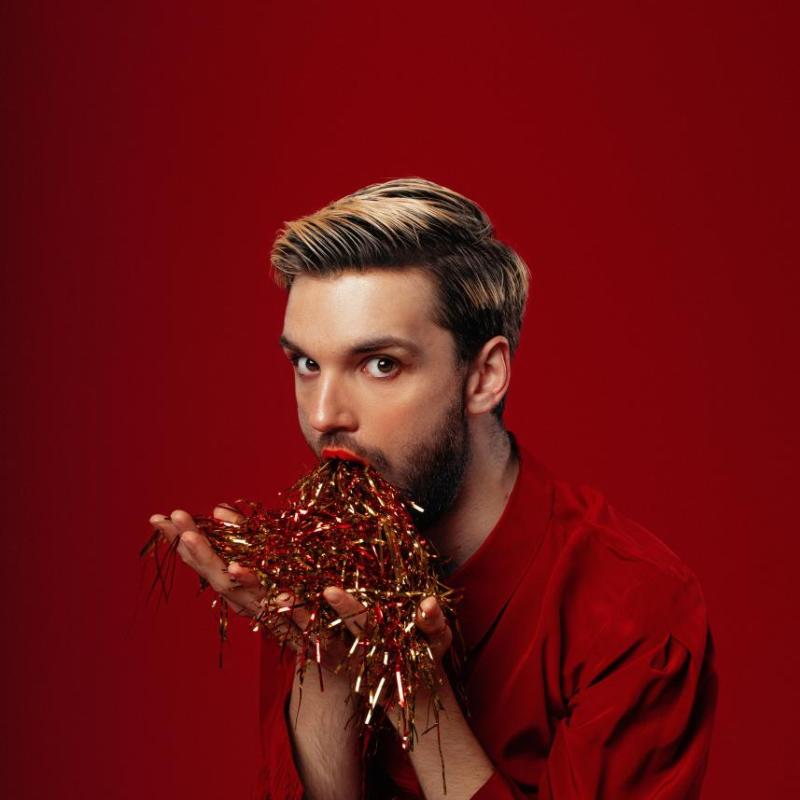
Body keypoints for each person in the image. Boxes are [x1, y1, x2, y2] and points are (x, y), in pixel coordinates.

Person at [149, 178, 718, 799]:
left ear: (485, 376)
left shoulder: (631, 609)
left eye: (380, 365)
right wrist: (327, 663)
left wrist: (416, 693)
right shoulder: (320, 569)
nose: (324, 415)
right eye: (307, 365)